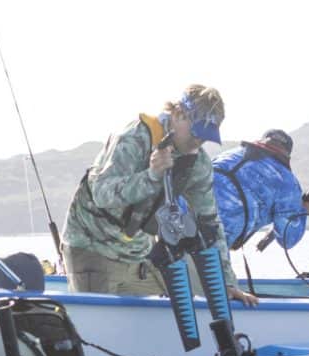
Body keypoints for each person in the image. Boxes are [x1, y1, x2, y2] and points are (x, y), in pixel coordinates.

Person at [62, 85, 258, 306]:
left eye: (205, 137)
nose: (198, 141)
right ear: (177, 114)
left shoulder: (198, 164)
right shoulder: (134, 137)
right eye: (195, 132)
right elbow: (102, 194)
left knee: (184, 296)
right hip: (92, 247)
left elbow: (210, 223)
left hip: (138, 254)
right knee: (97, 331)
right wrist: (152, 176)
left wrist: (227, 282)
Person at [212, 129, 309, 253]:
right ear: (287, 154)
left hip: (184, 217)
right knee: (211, 265)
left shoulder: (227, 155)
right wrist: (303, 212)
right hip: (215, 240)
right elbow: (287, 238)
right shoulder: (286, 181)